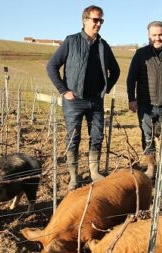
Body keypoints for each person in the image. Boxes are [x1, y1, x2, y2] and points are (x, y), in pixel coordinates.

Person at [46, 5, 120, 191]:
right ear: (85, 20)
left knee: (97, 137)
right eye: (95, 20)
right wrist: (64, 90)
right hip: (74, 101)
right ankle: (73, 177)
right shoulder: (71, 41)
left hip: (95, 101)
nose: (98, 24)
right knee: (73, 138)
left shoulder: (103, 46)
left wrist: (106, 89)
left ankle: (94, 173)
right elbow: (52, 66)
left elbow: (116, 71)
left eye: (101, 20)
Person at [126, 20, 162, 183]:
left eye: (160, 34)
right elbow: (131, 78)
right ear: (148, 36)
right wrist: (132, 99)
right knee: (147, 136)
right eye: (154, 35)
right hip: (146, 105)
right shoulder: (140, 54)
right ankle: (151, 167)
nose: (157, 38)